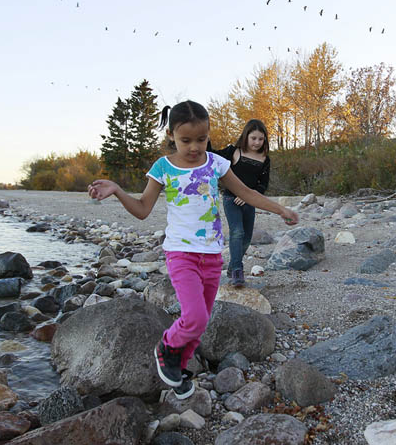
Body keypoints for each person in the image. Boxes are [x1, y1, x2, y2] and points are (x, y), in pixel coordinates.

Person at [88, 100, 298, 400]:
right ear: (172, 134)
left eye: (201, 139)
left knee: (200, 324)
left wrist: (279, 209)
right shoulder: (163, 167)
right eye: (186, 140)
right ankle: (166, 347)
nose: (195, 147)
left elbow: (247, 193)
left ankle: (179, 369)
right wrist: (119, 191)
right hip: (181, 255)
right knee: (195, 316)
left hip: (212, 257)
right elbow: (143, 209)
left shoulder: (216, 163)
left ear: (208, 133)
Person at [210, 119, 271, 287]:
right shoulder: (233, 152)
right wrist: (203, 136)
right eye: (254, 138)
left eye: (261, 139)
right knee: (236, 232)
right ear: (246, 136)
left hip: (249, 201)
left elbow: (262, 185)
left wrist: (248, 196)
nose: (257, 142)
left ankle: (231, 267)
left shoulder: (264, 159)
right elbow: (211, 155)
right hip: (231, 199)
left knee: (247, 239)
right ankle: (238, 270)